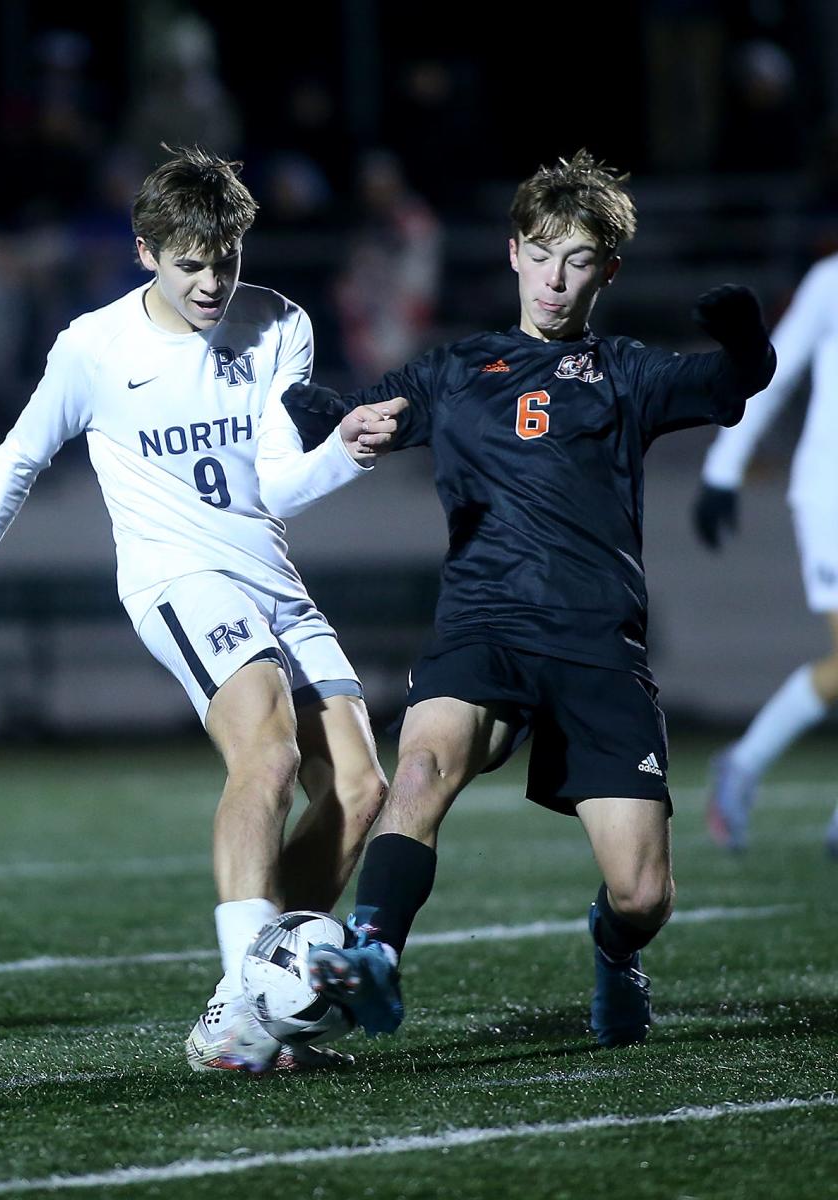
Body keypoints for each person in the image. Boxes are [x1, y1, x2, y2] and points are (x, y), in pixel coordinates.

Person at [0, 145, 403, 1074]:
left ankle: (244, 1003)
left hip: (269, 575)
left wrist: (345, 448)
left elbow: (278, 486)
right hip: (176, 576)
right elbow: (16, 459)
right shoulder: (94, 349)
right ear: (145, 251)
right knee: (265, 750)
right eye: (190, 263)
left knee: (359, 788)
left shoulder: (279, 324)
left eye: (226, 258)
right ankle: (250, 1006)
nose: (213, 280)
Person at [279, 150, 776, 1048]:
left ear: (606, 272)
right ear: (514, 253)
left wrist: (747, 344)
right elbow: (350, 415)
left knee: (642, 892)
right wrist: (322, 412)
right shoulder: (454, 370)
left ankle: (615, 951)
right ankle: (375, 955)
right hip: (485, 624)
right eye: (542, 253)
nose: (556, 277)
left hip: (597, 641)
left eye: (578, 259)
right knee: (422, 768)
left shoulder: (625, 372)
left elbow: (732, 381)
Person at [693, 254, 838, 856]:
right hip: (832, 492)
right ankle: (743, 764)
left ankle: (745, 765)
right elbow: (772, 372)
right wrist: (722, 470)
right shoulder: (832, 279)